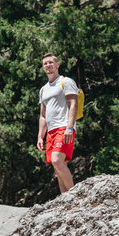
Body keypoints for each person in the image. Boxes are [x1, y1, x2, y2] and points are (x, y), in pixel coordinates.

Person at [37, 53, 78, 193]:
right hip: (51, 131)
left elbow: (73, 105)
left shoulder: (65, 81)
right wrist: (40, 136)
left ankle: (75, 195)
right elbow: (43, 116)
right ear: (43, 67)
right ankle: (65, 201)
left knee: (56, 160)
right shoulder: (43, 89)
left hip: (64, 127)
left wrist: (69, 127)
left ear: (57, 64)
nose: (48, 65)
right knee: (58, 169)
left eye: (51, 62)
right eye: (45, 63)